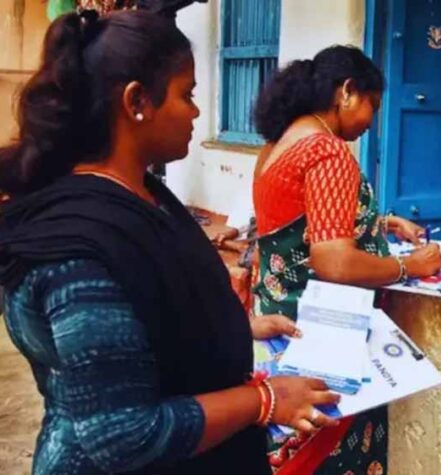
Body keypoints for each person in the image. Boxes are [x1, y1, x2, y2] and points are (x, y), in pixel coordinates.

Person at [0, 10, 339, 474]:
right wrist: (266, 399)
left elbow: (156, 309)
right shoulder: (77, 251)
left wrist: (234, 328)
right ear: (137, 101)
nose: (196, 112)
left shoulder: (144, 194)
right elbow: (123, 433)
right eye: (187, 95)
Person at [251, 45, 441, 473]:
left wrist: (381, 223)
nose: (373, 120)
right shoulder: (328, 152)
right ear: (347, 91)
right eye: (372, 105)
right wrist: (411, 266)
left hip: (275, 327)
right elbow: (334, 262)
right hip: (324, 339)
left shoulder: (278, 144)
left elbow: (300, 223)